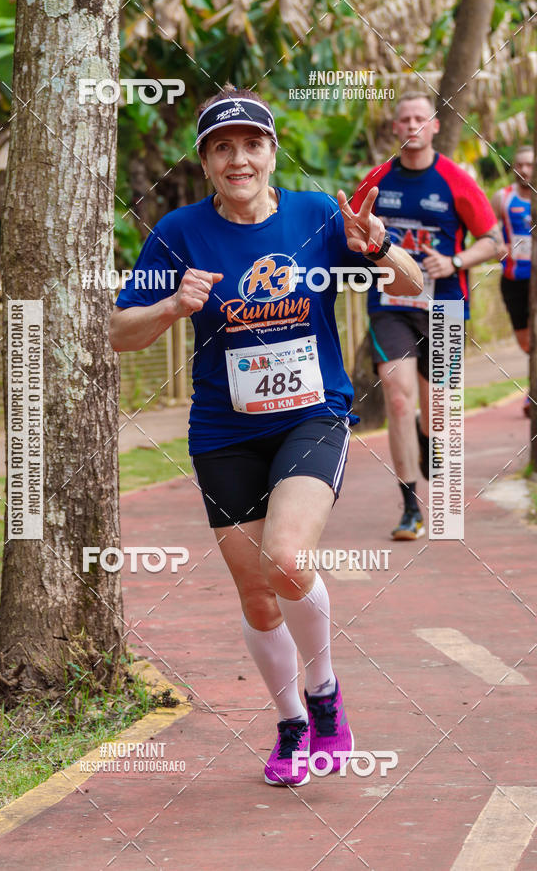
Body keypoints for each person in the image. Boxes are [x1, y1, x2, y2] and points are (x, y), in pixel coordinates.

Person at [109, 85, 423, 787]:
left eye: (252, 144)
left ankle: (326, 698)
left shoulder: (317, 214)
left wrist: (376, 247)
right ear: (206, 161)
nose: (239, 158)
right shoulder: (179, 231)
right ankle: (288, 727)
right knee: (256, 594)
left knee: (286, 558)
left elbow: (406, 283)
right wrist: (171, 304)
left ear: (272, 152)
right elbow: (117, 332)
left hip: (313, 415)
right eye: (223, 147)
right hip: (223, 432)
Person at [350, 90, 503, 541]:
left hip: (446, 307)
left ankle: (427, 441)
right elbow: (351, 230)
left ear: (434, 126)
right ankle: (410, 507)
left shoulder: (456, 179)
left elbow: (493, 241)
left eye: (421, 117)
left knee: (436, 412)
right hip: (391, 306)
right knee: (398, 398)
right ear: (395, 128)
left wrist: (454, 262)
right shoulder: (377, 179)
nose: (413, 124)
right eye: (404, 118)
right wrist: (367, 252)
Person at [491, 145, 533, 417]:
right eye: (520, 164)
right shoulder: (502, 198)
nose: (525, 170)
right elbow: (489, 231)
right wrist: (499, 245)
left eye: (530, 165)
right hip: (513, 279)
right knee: (526, 343)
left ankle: (532, 394)